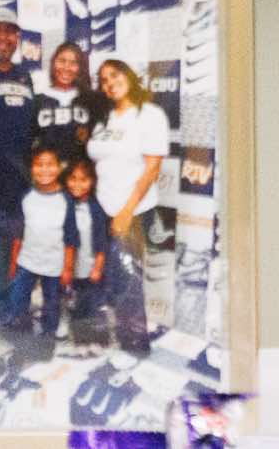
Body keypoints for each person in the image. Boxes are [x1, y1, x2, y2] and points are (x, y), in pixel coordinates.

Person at [85, 59, 167, 354]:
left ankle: (135, 344)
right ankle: (117, 334)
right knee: (111, 276)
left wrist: (126, 211)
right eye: (103, 79)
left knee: (128, 280)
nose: (109, 82)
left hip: (132, 210)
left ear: (129, 76)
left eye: (114, 74)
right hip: (103, 206)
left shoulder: (150, 114)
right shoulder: (104, 119)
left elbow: (152, 169)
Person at [2, 146, 68, 339]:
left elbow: (71, 236)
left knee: (52, 296)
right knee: (19, 290)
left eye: (50, 165)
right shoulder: (27, 198)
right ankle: (16, 317)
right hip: (27, 257)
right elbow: (20, 232)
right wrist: (14, 260)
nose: (44, 169)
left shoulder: (65, 200)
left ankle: (50, 327)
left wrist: (68, 265)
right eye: (39, 165)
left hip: (54, 260)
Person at [60, 159, 118, 348]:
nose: (77, 184)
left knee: (89, 302)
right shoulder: (63, 203)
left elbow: (102, 240)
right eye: (73, 178)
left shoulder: (96, 207)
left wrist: (98, 267)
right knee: (70, 301)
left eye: (83, 179)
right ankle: (73, 332)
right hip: (67, 267)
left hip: (89, 267)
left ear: (92, 181)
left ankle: (90, 336)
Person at [32, 41, 102, 167]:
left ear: (80, 68)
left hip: (80, 174)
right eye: (62, 61)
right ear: (53, 63)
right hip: (48, 173)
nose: (66, 67)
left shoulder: (91, 100)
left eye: (73, 63)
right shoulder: (38, 100)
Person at [0, 22, 33, 273]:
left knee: (14, 255)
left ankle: (10, 296)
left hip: (17, 182)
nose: (4, 37)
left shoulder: (25, 76)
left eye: (10, 32)